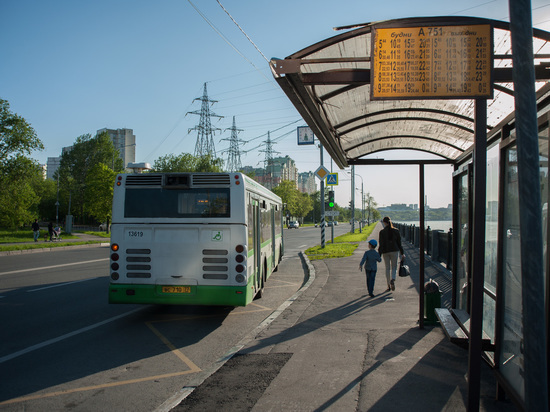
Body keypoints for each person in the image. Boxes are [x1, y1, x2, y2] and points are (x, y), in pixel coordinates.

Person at [378, 216, 405, 291]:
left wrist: (379, 255)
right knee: (394, 267)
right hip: (394, 251)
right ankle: (393, 279)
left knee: (387, 268)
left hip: (385, 252)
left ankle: (388, 286)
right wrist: (402, 253)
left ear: (384, 223)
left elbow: (381, 244)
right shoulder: (396, 231)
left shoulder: (382, 232)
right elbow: (399, 243)